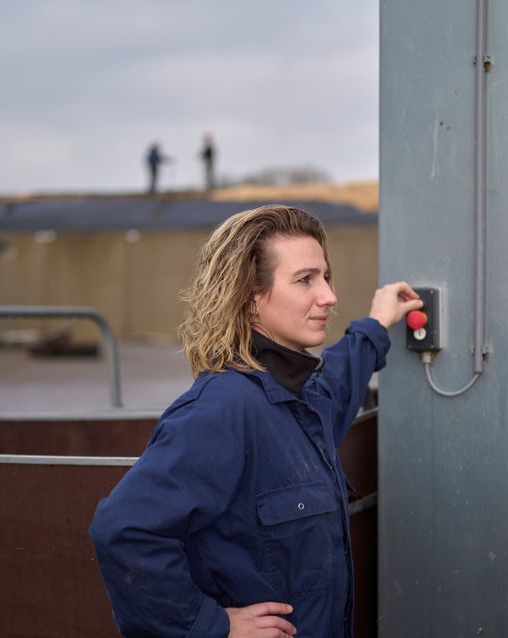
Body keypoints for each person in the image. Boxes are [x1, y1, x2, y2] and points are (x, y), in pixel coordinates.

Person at [89, 205, 422, 637]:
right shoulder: (220, 411)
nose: (329, 296)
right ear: (250, 298)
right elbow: (125, 531)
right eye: (305, 280)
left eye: (326, 277)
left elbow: (338, 384)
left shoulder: (301, 397)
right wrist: (213, 626)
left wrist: (377, 324)